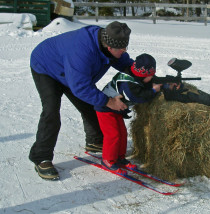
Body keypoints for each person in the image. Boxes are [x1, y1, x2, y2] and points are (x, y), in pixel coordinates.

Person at [29, 21, 133, 180]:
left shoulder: (109, 41)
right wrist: (110, 102)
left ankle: (95, 141)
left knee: (93, 104)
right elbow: (80, 87)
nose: (125, 51)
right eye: (122, 49)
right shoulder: (82, 51)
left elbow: (125, 63)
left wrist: (144, 75)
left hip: (72, 71)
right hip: (47, 68)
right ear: (109, 48)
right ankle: (41, 157)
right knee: (51, 111)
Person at [95, 53, 162, 175]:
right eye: (150, 76)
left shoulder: (136, 75)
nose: (152, 78)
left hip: (116, 110)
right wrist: (153, 90)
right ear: (142, 74)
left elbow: (147, 82)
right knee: (113, 135)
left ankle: (120, 157)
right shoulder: (128, 82)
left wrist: (164, 85)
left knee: (122, 133)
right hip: (105, 109)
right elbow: (138, 97)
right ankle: (108, 160)